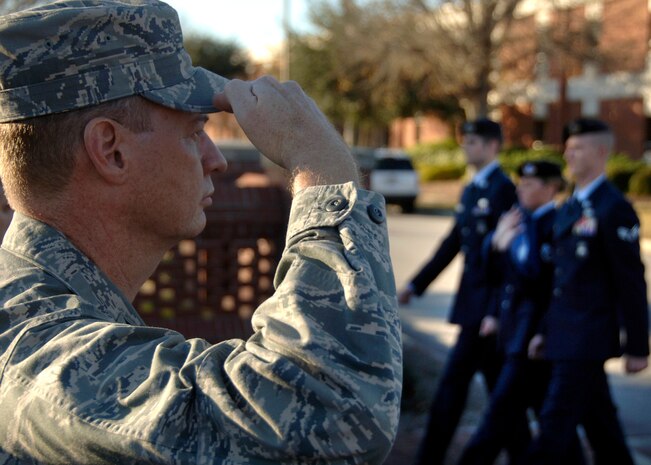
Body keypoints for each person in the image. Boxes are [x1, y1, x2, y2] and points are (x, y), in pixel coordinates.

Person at [0, 2, 402, 464]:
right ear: (110, 150)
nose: (217, 160)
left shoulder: (41, 307)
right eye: (194, 132)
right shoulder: (33, 352)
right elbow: (328, 411)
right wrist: (324, 172)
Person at [398, 118, 526, 465]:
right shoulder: (472, 189)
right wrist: (415, 285)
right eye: (465, 141)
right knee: (503, 395)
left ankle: (429, 457)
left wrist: (494, 312)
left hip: (487, 312)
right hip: (474, 308)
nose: (466, 147)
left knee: (454, 389)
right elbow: (453, 243)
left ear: (491, 146)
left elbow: (507, 261)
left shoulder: (504, 191)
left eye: (472, 142)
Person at [522, 118, 650, 464]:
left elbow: (631, 282)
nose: (569, 154)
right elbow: (560, 282)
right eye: (568, 147)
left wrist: (638, 346)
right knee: (602, 430)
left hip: (588, 338)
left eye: (578, 148)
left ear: (602, 152)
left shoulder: (614, 208)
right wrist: (545, 331)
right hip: (565, 335)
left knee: (552, 429)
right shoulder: (572, 206)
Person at [457, 161, 585, 465]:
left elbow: (549, 287)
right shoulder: (516, 221)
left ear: (551, 187)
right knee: (544, 423)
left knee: (498, 418)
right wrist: (496, 245)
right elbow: (494, 278)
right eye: (521, 182)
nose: (520, 189)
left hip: (533, 338)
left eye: (529, 184)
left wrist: (542, 331)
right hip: (512, 332)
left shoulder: (557, 224)